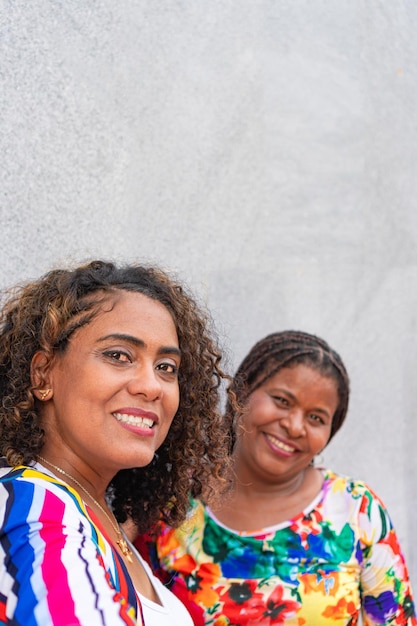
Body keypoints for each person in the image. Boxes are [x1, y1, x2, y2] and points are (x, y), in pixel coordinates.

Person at [0, 259, 232, 626]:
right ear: (43, 374)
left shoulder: (88, 515)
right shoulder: (35, 513)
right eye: (119, 356)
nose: (152, 385)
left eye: (166, 367)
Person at [137, 330, 416, 625]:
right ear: (242, 394)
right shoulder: (174, 501)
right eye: (282, 400)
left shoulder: (356, 511)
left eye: (316, 418)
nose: (295, 426)